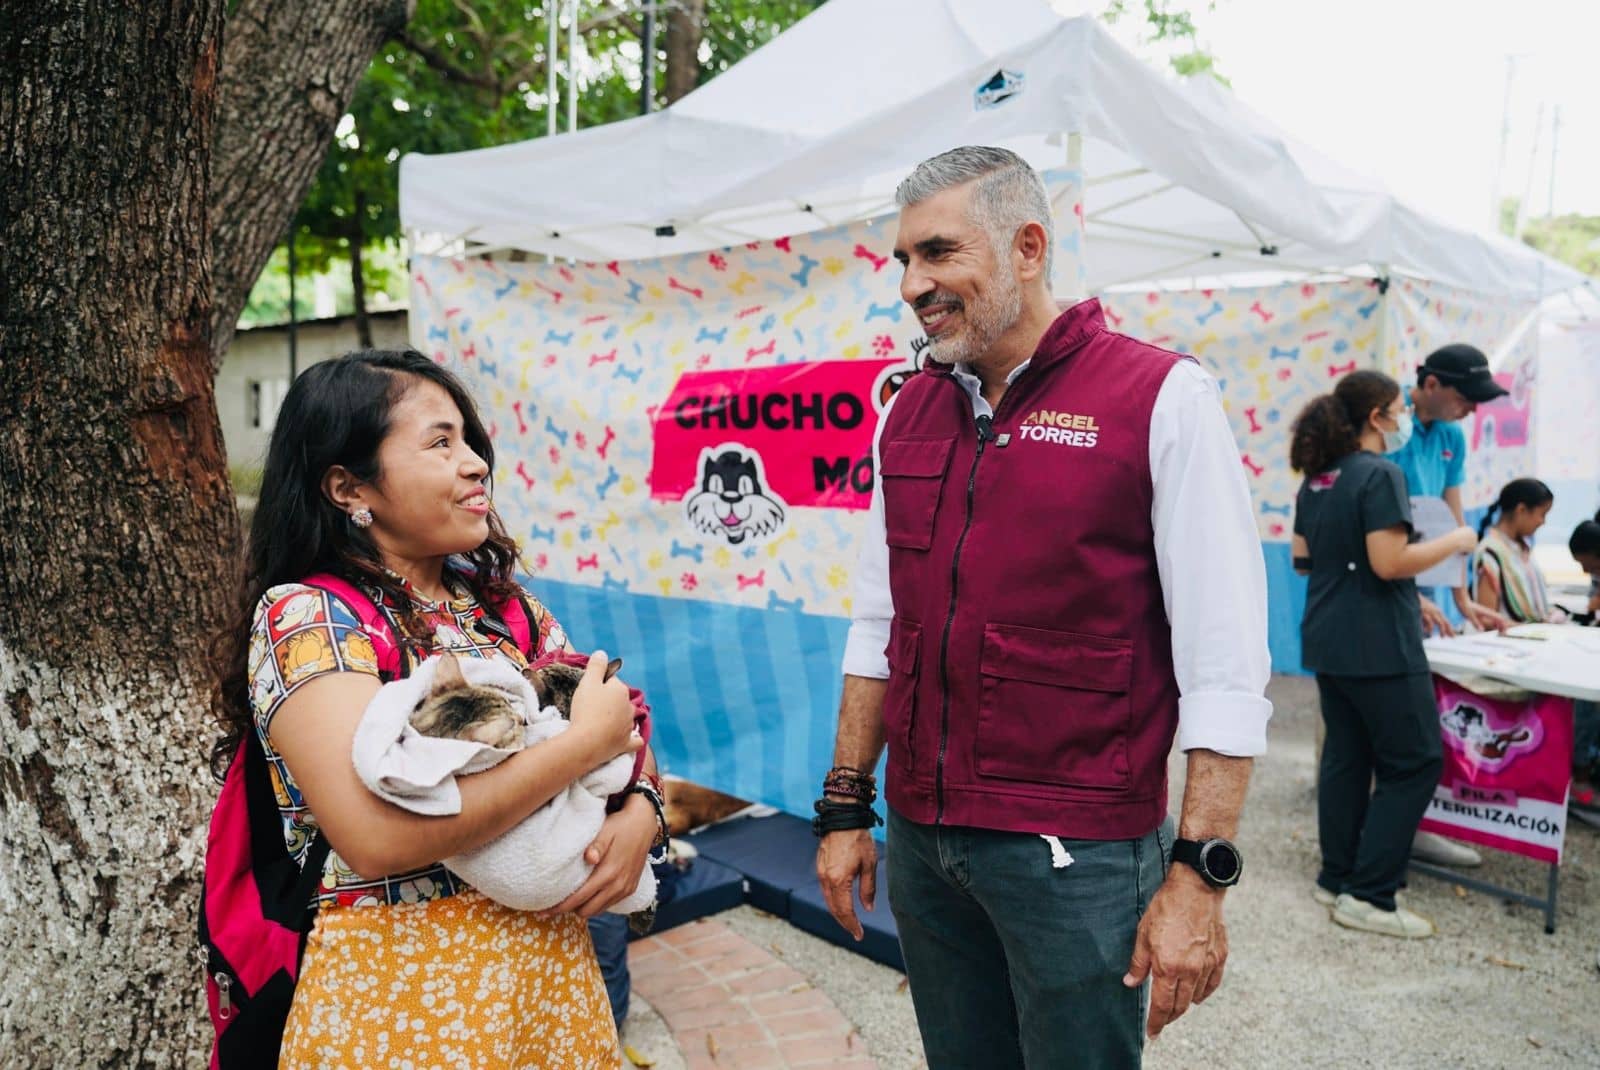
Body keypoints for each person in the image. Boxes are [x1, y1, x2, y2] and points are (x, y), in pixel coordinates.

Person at [814, 146, 1270, 1067]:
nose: (912, 283)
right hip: (925, 845)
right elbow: (880, 625)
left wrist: (1199, 878)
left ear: (1028, 247)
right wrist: (845, 806)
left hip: (1078, 858)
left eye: (939, 253)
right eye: (904, 259)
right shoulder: (908, 410)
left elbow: (1222, 663)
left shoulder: (1161, 397)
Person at [210, 349, 666, 1067]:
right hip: (403, 999)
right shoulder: (310, 618)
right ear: (347, 486)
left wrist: (643, 809)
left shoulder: (503, 610)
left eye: (470, 440)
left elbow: (619, 723)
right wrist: (579, 751)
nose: (476, 462)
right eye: (439, 442)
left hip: (549, 988)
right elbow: (376, 838)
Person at [1290, 370, 1474, 939]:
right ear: (1377, 417)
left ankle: (1336, 875)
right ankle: (1370, 895)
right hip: (1379, 646)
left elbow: (1304, 559)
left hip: (1329, 640)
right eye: (1398, 409)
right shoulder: (1382, 474)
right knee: (1414, 761)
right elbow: (1388, 562)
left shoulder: (1317, 480)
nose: (1403, 419)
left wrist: (1403, 592)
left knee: (1347, 761)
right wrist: (1456, 541)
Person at [1384, 342, 1510, 868]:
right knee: (1391, 719)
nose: (1473, 410)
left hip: (1428, 587)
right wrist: (1410, 594)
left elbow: (1454, 526)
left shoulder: (1452, 438)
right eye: (1466, 397)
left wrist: (1461, 598)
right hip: (1386, 582)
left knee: (1420, 712)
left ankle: (1415, 822)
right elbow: (1379, 529)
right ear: (1431, 384)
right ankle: (1394, 827)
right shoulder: (1390, 430)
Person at [1472, 478, 1557, 623]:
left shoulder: (1521, 549)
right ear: (1521, 510)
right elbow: (1486, 618)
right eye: (1542, 514)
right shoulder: (1491, 552)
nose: (1543, 522)